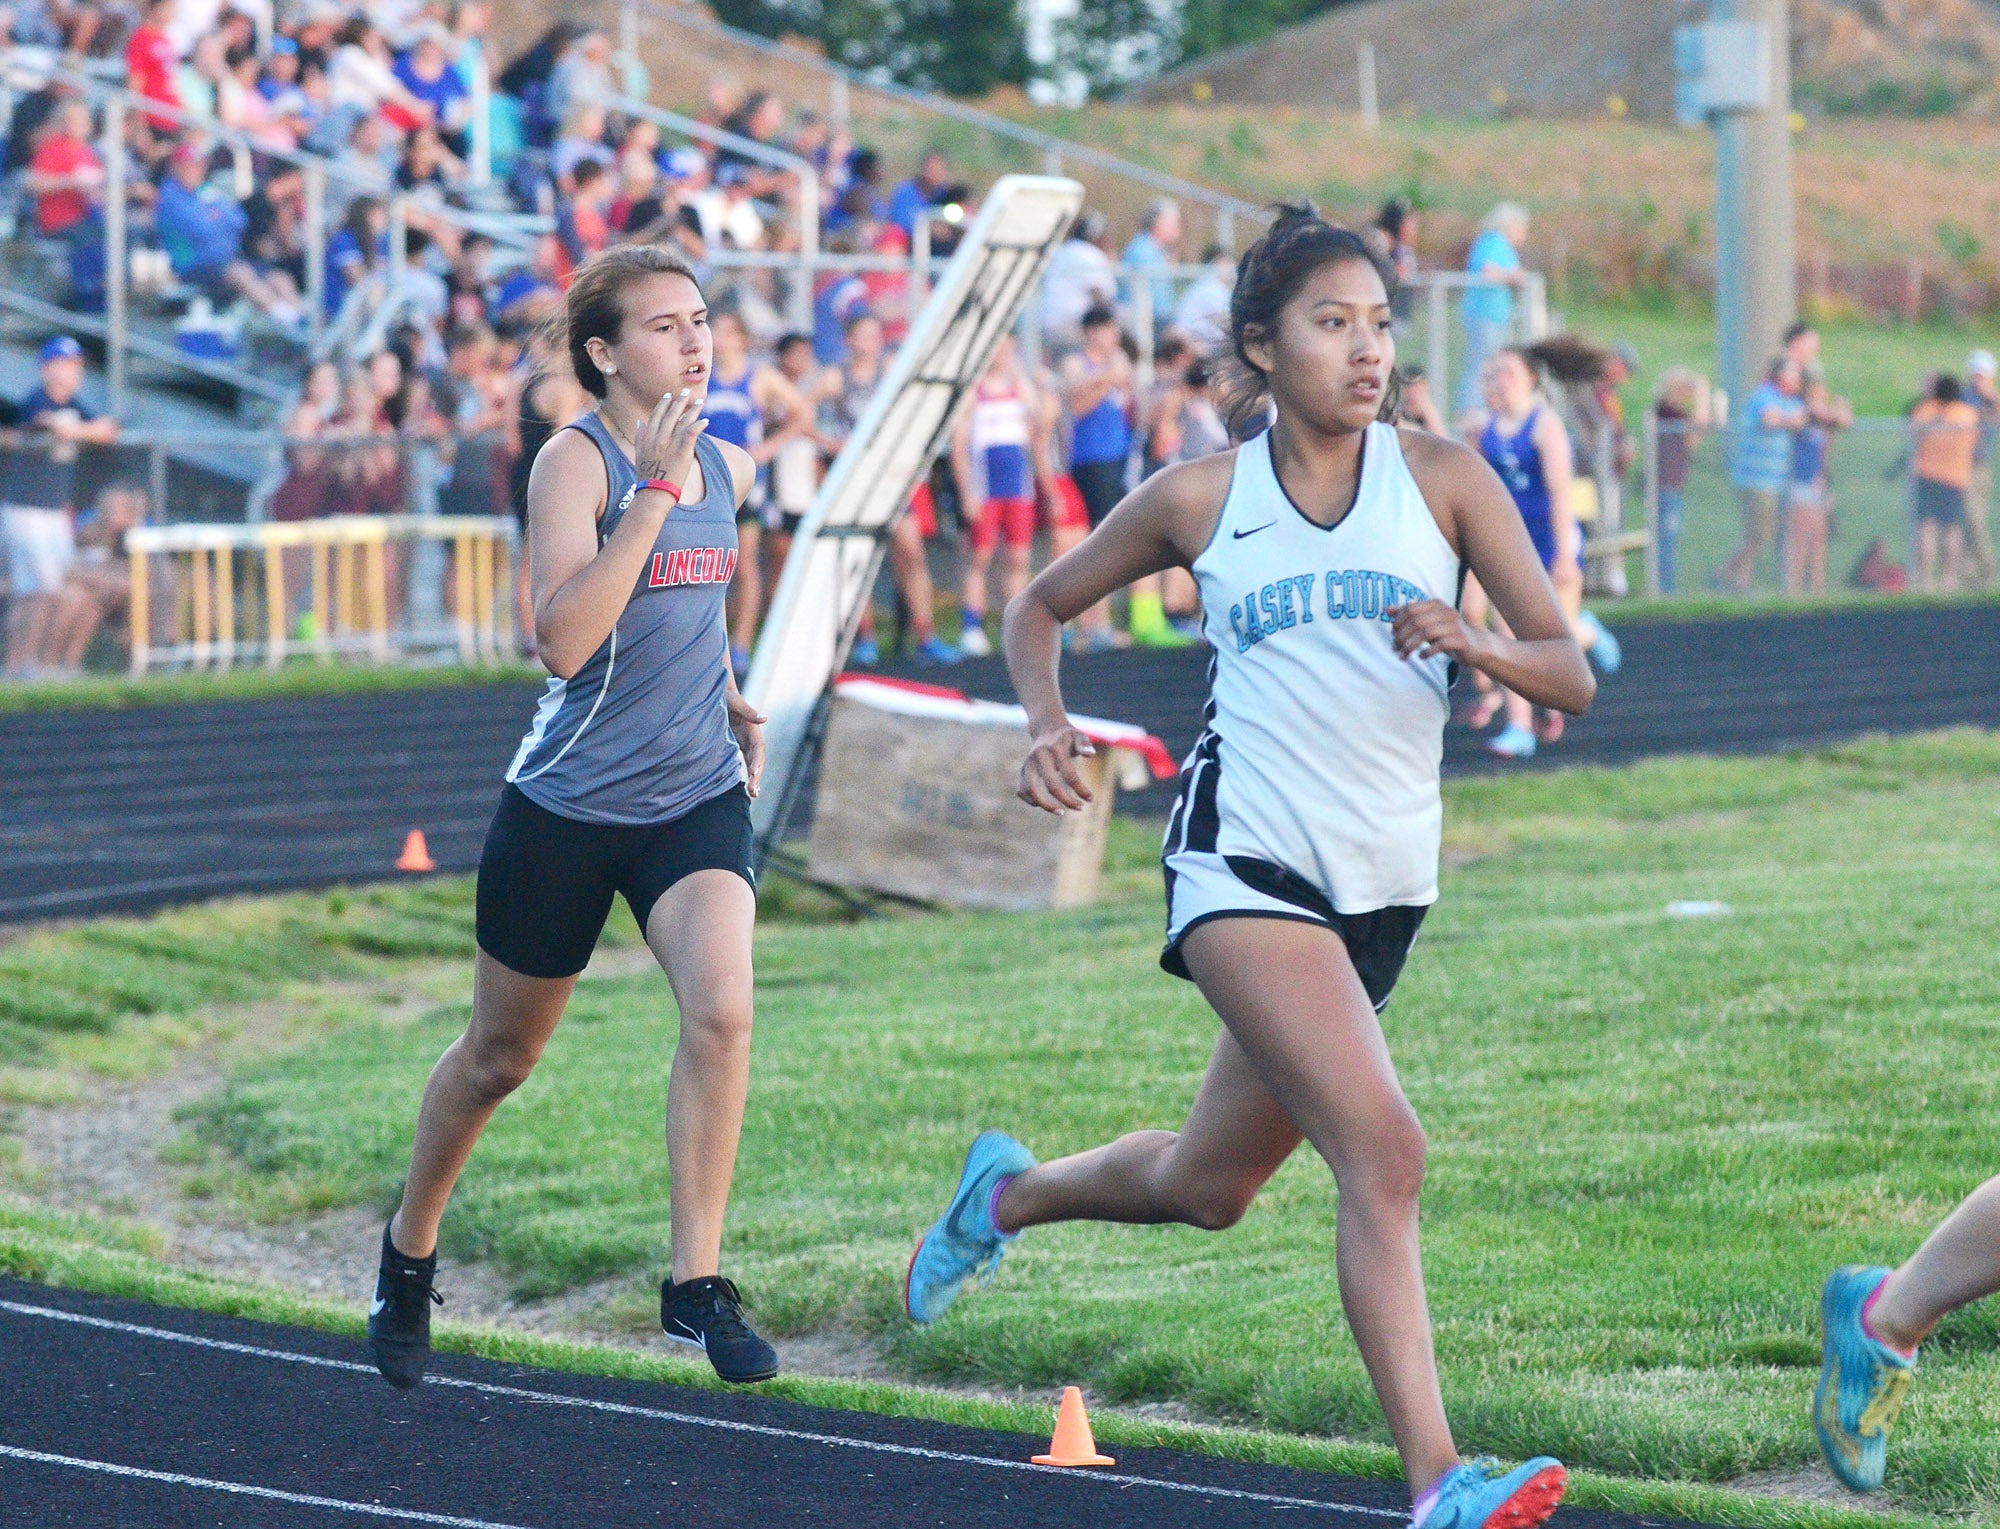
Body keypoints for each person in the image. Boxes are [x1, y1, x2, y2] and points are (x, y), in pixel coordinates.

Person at [903, 206, 1590, 1529]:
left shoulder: (1443, 477)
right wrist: (1049, 725)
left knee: (1207, 1189)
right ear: (1263, 348)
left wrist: (1476, 641)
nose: (1367, 350)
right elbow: (1036, 604)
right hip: (1243, 862)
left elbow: (1567, 665)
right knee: (1384, 1154)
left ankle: (1006, 1193)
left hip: (1382, 891)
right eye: (1334, 325)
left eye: (1380, 324)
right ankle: (1443, 1484)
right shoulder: (1202, 498)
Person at [366, 243, 777, 1392]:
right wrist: (649, 493)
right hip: (568, 803)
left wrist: (729, 689)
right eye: (663, 326)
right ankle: (408, 1248)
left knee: (725, 1006)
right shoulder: (575, 462)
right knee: (499, 1058)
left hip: (691, 793)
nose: (694, 341)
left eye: (701, 319)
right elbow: (562, 639)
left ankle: (693, 1282)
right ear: (602, 352)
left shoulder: (728, 464)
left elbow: (690, 615)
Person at [1458, 349, 1618, 758]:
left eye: (1508, 373)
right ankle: (1519, 727)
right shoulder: (1487, 427)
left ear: (1530, 379)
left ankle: (1588, 631)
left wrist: (1564, 556)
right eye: (1492, 373)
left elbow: (1561, 493)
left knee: (1554, 636)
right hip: (1508, 542)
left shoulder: (1544, 426)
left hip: (1550, 538)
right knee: (1507, 629)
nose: (1499, 381)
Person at [819, 311, 957, 667]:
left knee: (911, 552)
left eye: (874, 333)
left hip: (892, 478)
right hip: (856, 481)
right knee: (858, 558)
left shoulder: (892, 369)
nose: (870, 341)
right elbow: (798, 409)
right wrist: (832, 444)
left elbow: (922, 408)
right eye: (862, 335)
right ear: (849, 340)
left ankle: (925, 635)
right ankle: (864, 637)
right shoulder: (838, 377)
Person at [700, 307, 809, 673]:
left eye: (728, 332)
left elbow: (803, 413)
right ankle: (711, 643)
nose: (721, 338)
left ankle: (743, 644)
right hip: (706, 483)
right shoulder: (701, 376)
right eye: (715, 330)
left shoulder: (759, 377)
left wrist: (769, 448)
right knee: (707, 567)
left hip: (746, 485)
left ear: (742, 339)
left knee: (743, 564)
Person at [3, 337, 118, 678]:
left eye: (77, 365)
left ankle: (42, 664)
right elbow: (41, 423)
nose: (74, 372)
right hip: (28, 509)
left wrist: (75, 430)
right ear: (48, 368)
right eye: (66, 365)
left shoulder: (75, 405)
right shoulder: (36, 399)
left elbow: (106, 430)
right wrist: (71, 429)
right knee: (35, 591)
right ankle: (17, 666)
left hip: (53, 511)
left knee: (51, 590)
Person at [951, 333, 1048, 657]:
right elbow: (959, 447)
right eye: (998, 348)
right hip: (986, 489)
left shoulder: (1021, 389)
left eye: (1009, 349)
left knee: (1019, 558)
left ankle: (1015, 628)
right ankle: (971, 627)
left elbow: (1041, 430)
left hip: (1017, 487)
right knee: (979, 556)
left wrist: (1036, 389)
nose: (1003, 355)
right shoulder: (973, 393)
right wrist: (967, 492)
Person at [1719, 356, 1808, 595]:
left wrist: (1787, 419)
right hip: (1755, 480)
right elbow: (1770, 419)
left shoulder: (1787, 401)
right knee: (1761, 533)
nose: (1798, 380)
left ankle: (1739, 584)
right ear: (1780, 376)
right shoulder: (1763, 395)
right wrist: (1787, 419)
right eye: (1793, 374)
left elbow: (1799, 419)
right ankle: (1725, 572)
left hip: (1771, 481)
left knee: (1756, 534)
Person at [1908, 373, 1980, 593]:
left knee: (1927, 528)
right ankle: (1949, 579)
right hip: (1955, 478)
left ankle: (1927, 580)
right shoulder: (1967, 415)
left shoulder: (1924, 411)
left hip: (1927, 475)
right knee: (1951, 529)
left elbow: (1912, 437)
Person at [1456, 203, 1528, 416]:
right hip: (1484, 314)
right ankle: (1471, 413)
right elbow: (1488, 271)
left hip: (1494, 317)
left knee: (1487, 364)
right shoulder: (1493, 241)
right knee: (1482, 366)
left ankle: (1484, 410)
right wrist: (1513, 278)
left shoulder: (1500, 245)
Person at [1783, 379, 1852, 598]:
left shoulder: (1823, 425)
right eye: (1816, 396)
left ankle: (1817, 587)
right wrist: (1817, 409)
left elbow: (1844, 420)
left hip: (1819, 485)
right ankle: (1792, 589)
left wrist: (1839, 405)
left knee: (1820, 537)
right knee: (1800, 539)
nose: (1821, 402)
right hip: (1801, 484)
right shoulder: (1801, 419)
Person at [1650, 368, 1712, 595]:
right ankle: (1664, 588)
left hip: (1673, 484)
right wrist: (1702, 392)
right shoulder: (1666, 412)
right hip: (1664, 485)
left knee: (1670, 537)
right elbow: (1699, 425)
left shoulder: (1673, 413)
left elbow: (1693, 438)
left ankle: (1666, 586)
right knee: (1666, 537)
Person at [1119, 198, 1182, 334]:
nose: (1177, 227)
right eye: (1173, 222)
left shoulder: (1158, 250)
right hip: (1144, 324)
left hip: (1159, 322)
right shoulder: (1142, 249)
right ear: (1158, 222)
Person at [1963, 349, 1998, 588]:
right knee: (1967, 519)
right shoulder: (1964, 397)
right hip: (1960, 464)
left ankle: (1985, 569)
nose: (1978, 379)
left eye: (1982, 374)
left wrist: (1992, 397)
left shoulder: (1992, 399)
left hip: (1978, 467)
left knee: (1975, 519)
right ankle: (1973, 572)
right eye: (1975, 373)